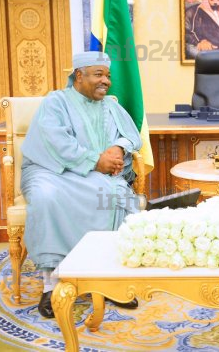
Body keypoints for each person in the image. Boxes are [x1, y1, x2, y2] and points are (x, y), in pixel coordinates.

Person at [21, 51, 143, 318]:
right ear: (79, 75)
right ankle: (52, 284)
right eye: (99, 74)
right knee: (45, 197)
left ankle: (108, 279)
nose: (106, 81)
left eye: (108, 76)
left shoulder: (110, 105)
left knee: (113, 194)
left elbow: (131, 136)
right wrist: (95, 160)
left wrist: (118, 148)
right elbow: (55, 142)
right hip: (49, 171)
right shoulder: (56, 102)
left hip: (93, 174)